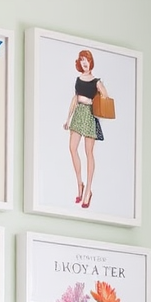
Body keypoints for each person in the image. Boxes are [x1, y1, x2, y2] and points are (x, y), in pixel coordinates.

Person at [63, 49, 110, 209]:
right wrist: (68, 118)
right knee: (72, 148)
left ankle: (88, 189)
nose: (84, 62)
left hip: (90, 115)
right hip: (78, 114)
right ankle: (79, 185)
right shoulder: (78, 80)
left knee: (88, 152)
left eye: (87, 60)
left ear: (91, 62)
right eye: (82, 59)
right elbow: (74, 99)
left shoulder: (96, 81)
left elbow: (106, 97)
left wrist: (98, 95)